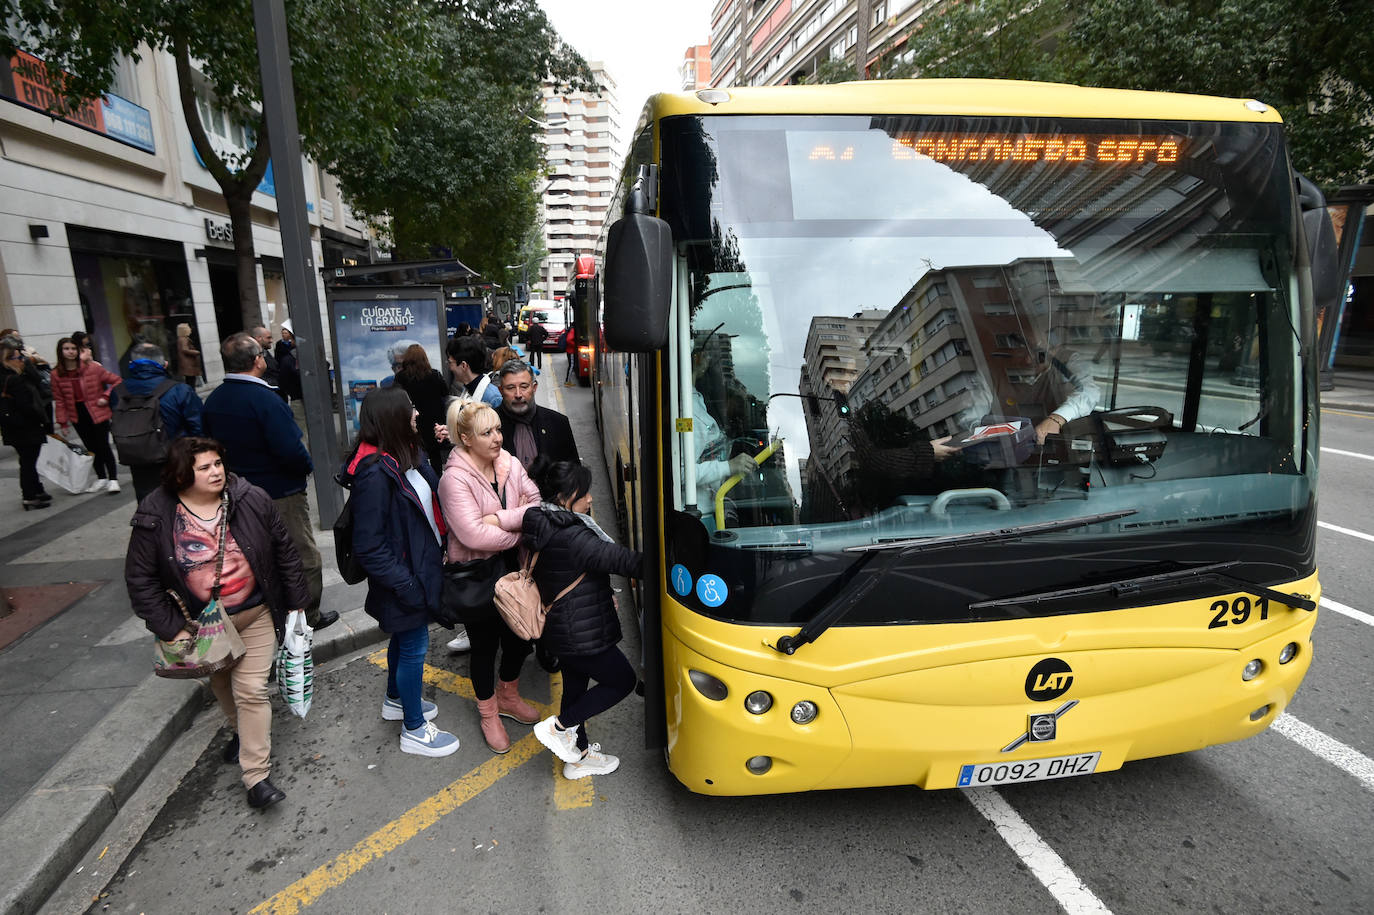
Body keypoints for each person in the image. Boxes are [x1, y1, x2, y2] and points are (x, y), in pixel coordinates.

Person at [125, 436, 309, 809]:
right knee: (222, 682)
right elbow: (139, 578)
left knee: (252, 690)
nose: (216, 472)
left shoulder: (251, 498)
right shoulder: (157, 512)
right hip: (203, 624)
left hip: (256, 613)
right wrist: (169, 626)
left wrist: (296, 606)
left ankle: (256, 777)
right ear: (181, 474)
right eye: (204, 467)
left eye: (218, 464)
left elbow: (285, 551)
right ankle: (242, 732)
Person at [340, 386, 457, 758]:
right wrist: (406, 585)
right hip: (404, 579)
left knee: (404, 642)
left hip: (416, 572)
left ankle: (396, 700)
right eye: (410, 410)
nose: (417, 414)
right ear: (393, 417)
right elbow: (369, 545)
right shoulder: (374, 474)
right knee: (414, 648)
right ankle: (414, 729)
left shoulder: (403, 454)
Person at [203, 333, 338, 631]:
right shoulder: (266, 400)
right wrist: (305, 468)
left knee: (257, 557)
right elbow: (291, 449)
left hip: (236, 492)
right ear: (257, 361)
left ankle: (269, 617)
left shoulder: (214, 401)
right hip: (280, 491)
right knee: (301, 556)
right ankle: (307, 617)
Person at [525, 458, 642, 779]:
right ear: (564, 499)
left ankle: (578, 757)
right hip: (581, 631)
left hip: (561, 628)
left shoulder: (543, 521)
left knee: (575, 689)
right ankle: (559, 728)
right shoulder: (574, 537)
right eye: (584, 494)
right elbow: (627, 562)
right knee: (622, 681)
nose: (591, 499)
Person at [438, 400, 542, 754]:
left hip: (517, 569)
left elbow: (536, 503)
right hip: (478, 575)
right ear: (466, 439)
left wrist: (499, 520)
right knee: (484, 646)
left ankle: (508, 695)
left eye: (498, 429)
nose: (498, 438)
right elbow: (471, 535)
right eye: (488, 433)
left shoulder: (509, 463)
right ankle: (488, 713)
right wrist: (518, 531)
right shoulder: (453, 479)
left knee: (520, 636)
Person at [116, 342, 204, 501]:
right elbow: (198, 427)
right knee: (181, 502)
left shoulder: (119, 391)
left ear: (131, 365)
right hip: (176, 456)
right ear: (165, 364)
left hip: (137, 456)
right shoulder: (179, 390)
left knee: (148, 502)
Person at [51, 336, 122, 493]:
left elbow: (117, 381)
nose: (70, 352)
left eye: (73, 349)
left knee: (103, 445)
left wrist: (106, 396)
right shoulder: (57, 374)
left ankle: (113, 479)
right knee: (91, 447)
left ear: (78, 351)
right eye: (66, 349)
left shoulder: (93, 368)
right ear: (60, 352)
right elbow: (60, 399)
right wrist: (62, 422)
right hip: (78, 414)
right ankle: (101, 477)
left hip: (97, 410)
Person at [0, 335, 54, 510]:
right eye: (19, 357)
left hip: (13, 428)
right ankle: (30, 496)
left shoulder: (6, 376)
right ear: (8, 359)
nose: (22, 360)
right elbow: (27, 404)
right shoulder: (15, 379)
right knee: (28, 462)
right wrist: (39, 420)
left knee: (27, 460)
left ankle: (36, 490)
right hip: (25, 427)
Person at [495, 359, 579, 469]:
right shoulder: (488, 426)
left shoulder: (558, 423)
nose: (518, 394)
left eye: (524, 386)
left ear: (534, 388)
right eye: (511, 388)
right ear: (501, 390)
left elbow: (574, 474)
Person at [393, 344, 449, 474]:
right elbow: (444, 393)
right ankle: (436, 480)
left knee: (415, 453)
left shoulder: (401, 378)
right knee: (435, 455)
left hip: (412, 421)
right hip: (433, 421)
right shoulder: (435, 375)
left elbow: (396, 399)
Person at [446, 334, 501, 408]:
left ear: (463, 365)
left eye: (450, 363)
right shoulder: (469, 389)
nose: (450, 368)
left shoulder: (493, 398)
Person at [249, 325, 283, 393]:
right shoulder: (251, 356)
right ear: (259, 338)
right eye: (268, 338)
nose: (271, 341)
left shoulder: (265, 352)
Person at [274, 320, 302, 402]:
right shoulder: (280, 345)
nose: (284, 335)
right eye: (283, 333)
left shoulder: (290, 359)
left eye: (286, 333)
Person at [175, 323, 202, 387]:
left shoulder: (182, 339)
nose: (190, 330)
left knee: (190, 382)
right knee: (191, 383)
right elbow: (185, 349)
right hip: (188, 365)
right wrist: (196, 352)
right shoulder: (183, 339)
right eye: (188, 328)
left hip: (187, 365)